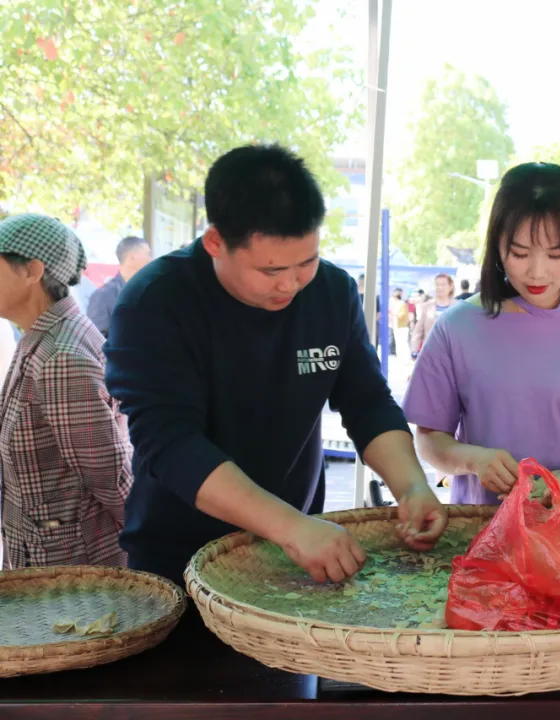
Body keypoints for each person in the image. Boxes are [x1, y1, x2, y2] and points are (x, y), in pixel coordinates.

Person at [105, 144, 446, 586]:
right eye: (270, 270)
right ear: (215, 243)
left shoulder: (331, 292)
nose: (291, 284)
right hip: (180, 554)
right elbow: (170, 443)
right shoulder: (155, 301)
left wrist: (412, 487)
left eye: (307, 261)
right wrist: (288, 526)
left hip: (299, 547)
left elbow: (367, 402)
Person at [402, 162, 560, 507]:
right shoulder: (458, 326)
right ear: (496, 245)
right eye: (520, 253)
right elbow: (430, 439)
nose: (537, 272)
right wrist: (475, 460)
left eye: (556, 253)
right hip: (479, 534)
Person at [0, 214, 132, 569]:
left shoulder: (61, 356)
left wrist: (140, 540)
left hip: (71, 570)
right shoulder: (43, 334)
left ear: (32, 270)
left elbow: (110, 477)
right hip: (53, 557)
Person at [86, 236, 152, 338]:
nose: (151, 260)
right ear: (132, 257)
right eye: (148, 254)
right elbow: (95, 341)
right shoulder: (103, 296)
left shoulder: (149, 291)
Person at [411, 273, 455, 357]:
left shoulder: (458, 306)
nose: (440, 287)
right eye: (437, 285)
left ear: (450, 286)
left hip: (452, 354)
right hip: (431, 353)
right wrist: (414, 350)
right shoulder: (426, 306)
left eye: (443, 284)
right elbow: (418, 330)